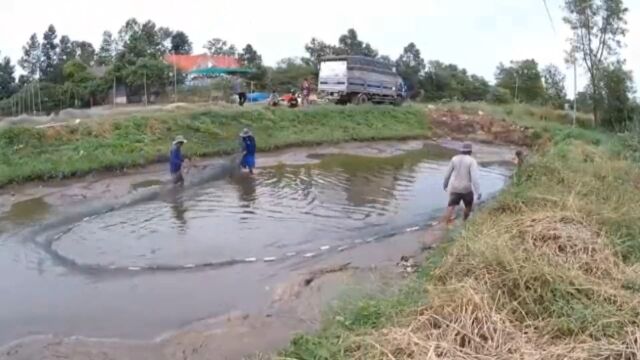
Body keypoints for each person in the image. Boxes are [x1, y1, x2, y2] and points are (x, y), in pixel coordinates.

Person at [442, 142, 482, 224]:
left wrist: (445, 185)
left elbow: (447, 174)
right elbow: (475, 178)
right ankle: (464, 222)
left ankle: (446, 223)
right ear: (470, 151)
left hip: (454, 187)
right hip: (466, 188)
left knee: (451, 206)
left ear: (461, 150)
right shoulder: (472, 161)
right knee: (468, 206)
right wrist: (478, 192)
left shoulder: (454, 159)